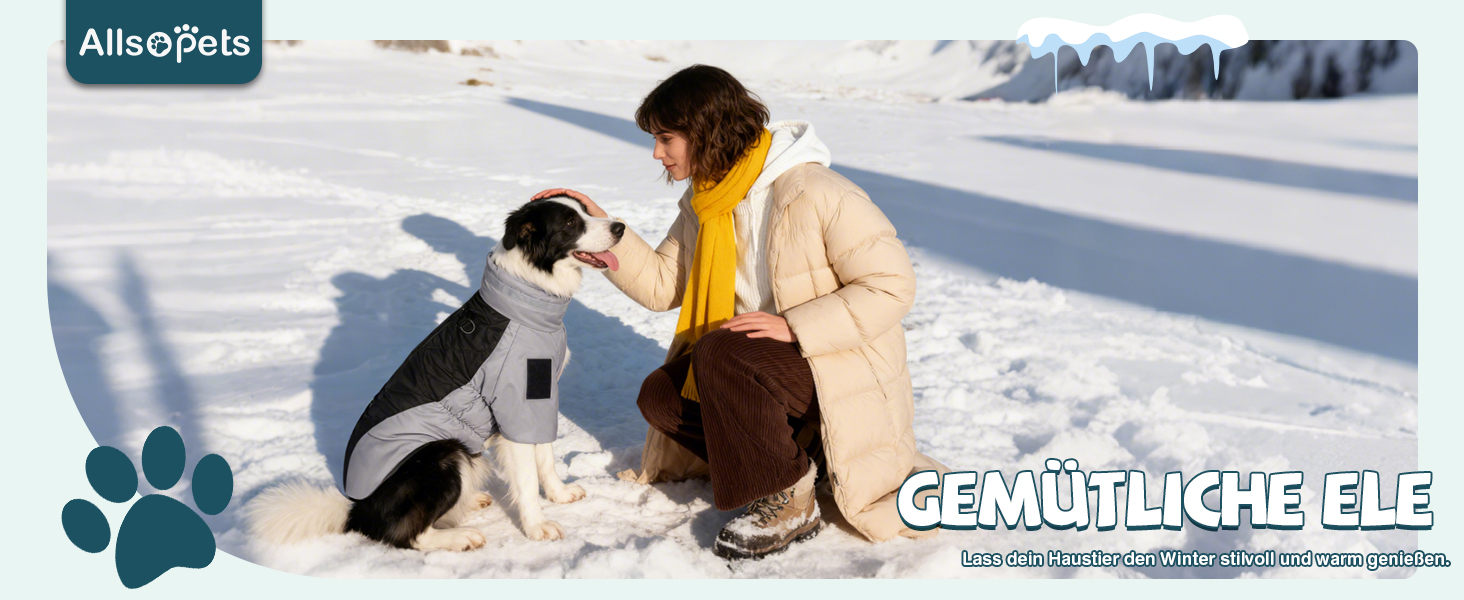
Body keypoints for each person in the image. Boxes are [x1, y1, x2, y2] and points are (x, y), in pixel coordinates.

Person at [531, 64, 946, 560]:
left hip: (836, 365)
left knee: (723, 351)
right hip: (759, 367)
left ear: (706, 131)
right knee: (663, 396)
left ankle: (788, 496)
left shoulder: (817, 191)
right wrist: (602, 233)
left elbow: (892, 285)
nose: (657, 154)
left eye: (666, 138)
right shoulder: (706, 201)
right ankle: (804, 458)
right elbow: (666, 284)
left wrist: (794, 326)